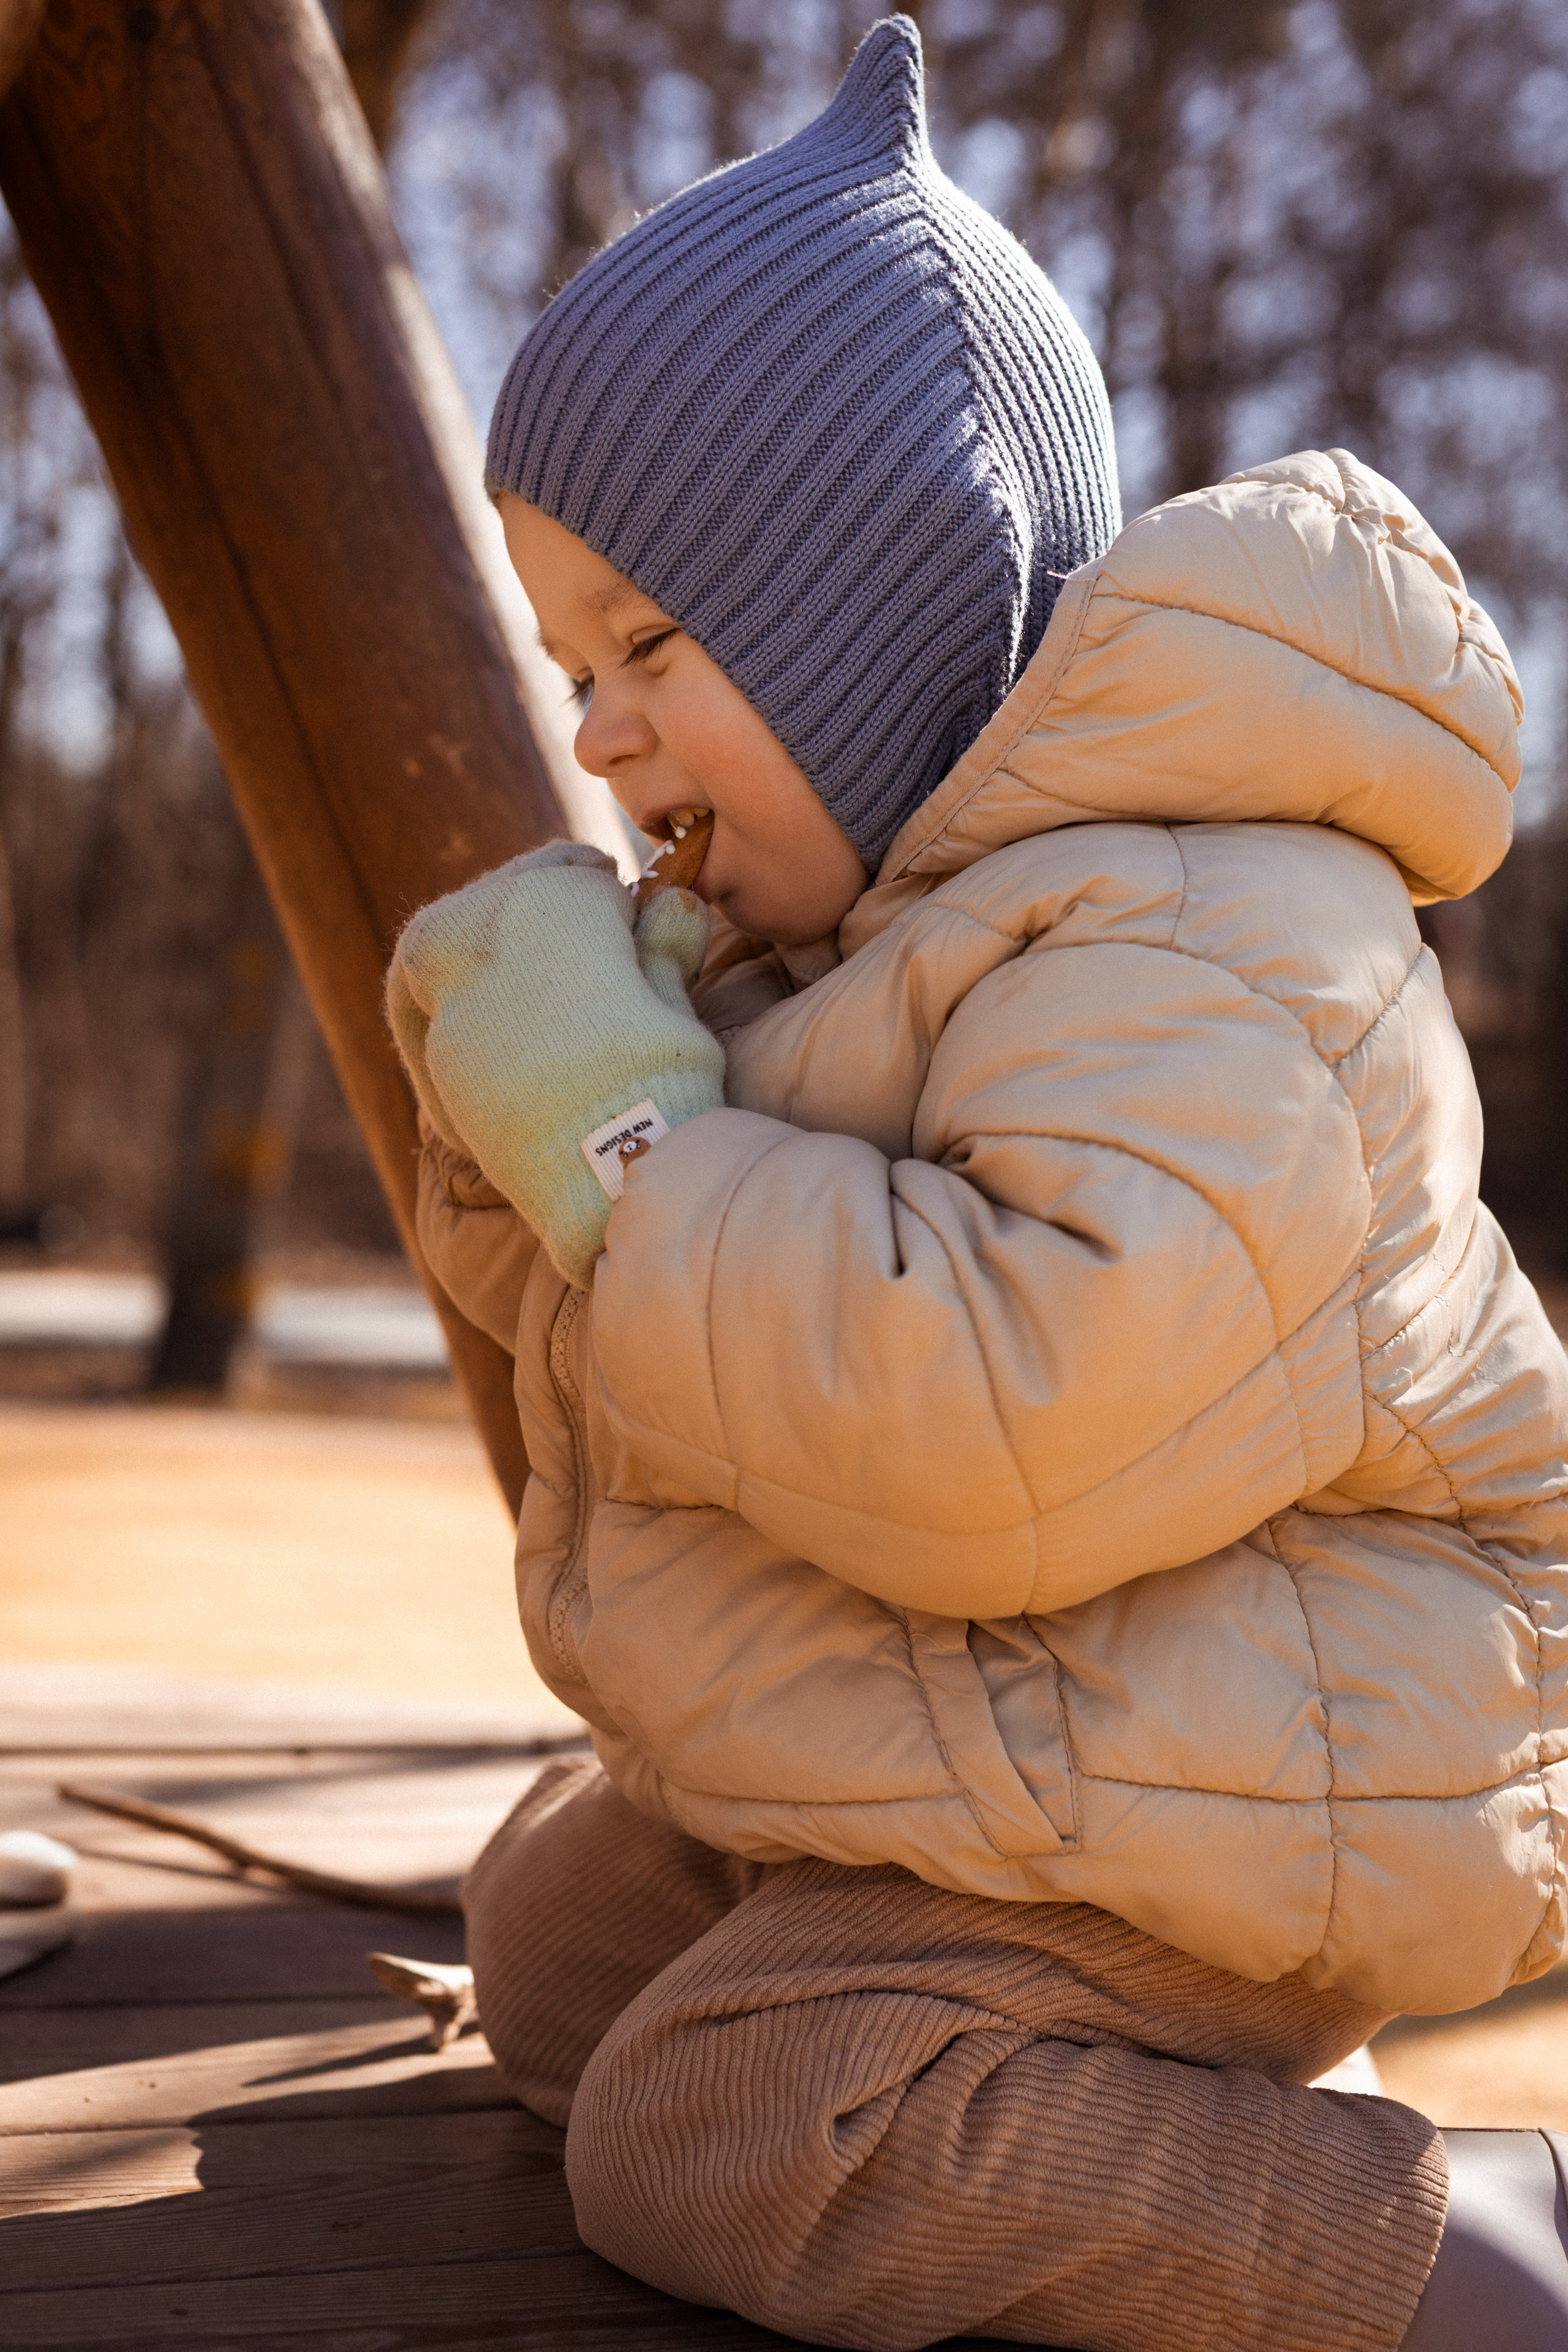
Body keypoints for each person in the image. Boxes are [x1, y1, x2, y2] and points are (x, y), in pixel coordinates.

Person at [385, 19, 1568, 2350]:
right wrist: (523, 1106)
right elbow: (659, 1370)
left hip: (1309, 1744)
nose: (599, 730)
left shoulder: (1211, 938)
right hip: (1077, 1708)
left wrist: (640, 1152)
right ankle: (1088, 2072)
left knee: (727, 2126)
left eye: (652, 645)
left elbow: (1006, 1431)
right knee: (560, 1953)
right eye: (568, 662)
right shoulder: (854, 954)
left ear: (871, 625)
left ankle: (1459, 2252)